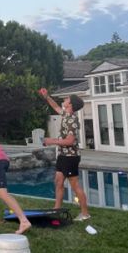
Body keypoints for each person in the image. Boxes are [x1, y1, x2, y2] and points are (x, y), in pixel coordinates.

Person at [38, 88, 91, 221]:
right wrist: (46, 96)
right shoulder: (66, 115)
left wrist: (51, 141)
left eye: (67, 99)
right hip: (63, 155)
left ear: (71, 104)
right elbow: (55, 106)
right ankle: (56, 209)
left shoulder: (72, 120)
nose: (64, 100)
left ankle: (85, 214)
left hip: (71, 157)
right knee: (58, 181)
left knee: (74, 185)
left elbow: (70, 141)